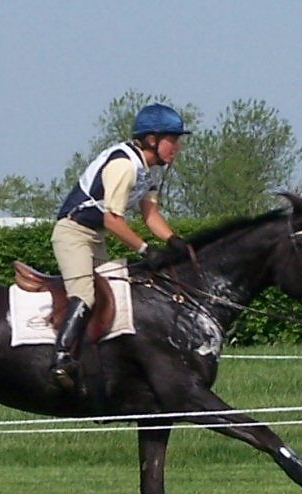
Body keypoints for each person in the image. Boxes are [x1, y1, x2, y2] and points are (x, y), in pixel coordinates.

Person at [49, 103, 191, 390]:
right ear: (152, 139)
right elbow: (113, 220)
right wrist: (145, 250)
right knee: (85, 295)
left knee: (115, 295)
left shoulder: (147, 172)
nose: (176, 147)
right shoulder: (124, 165)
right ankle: (60, 358)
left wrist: (175, 241)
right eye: (172, 139)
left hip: (94, 237)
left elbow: (151, 216)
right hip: (72, 233)